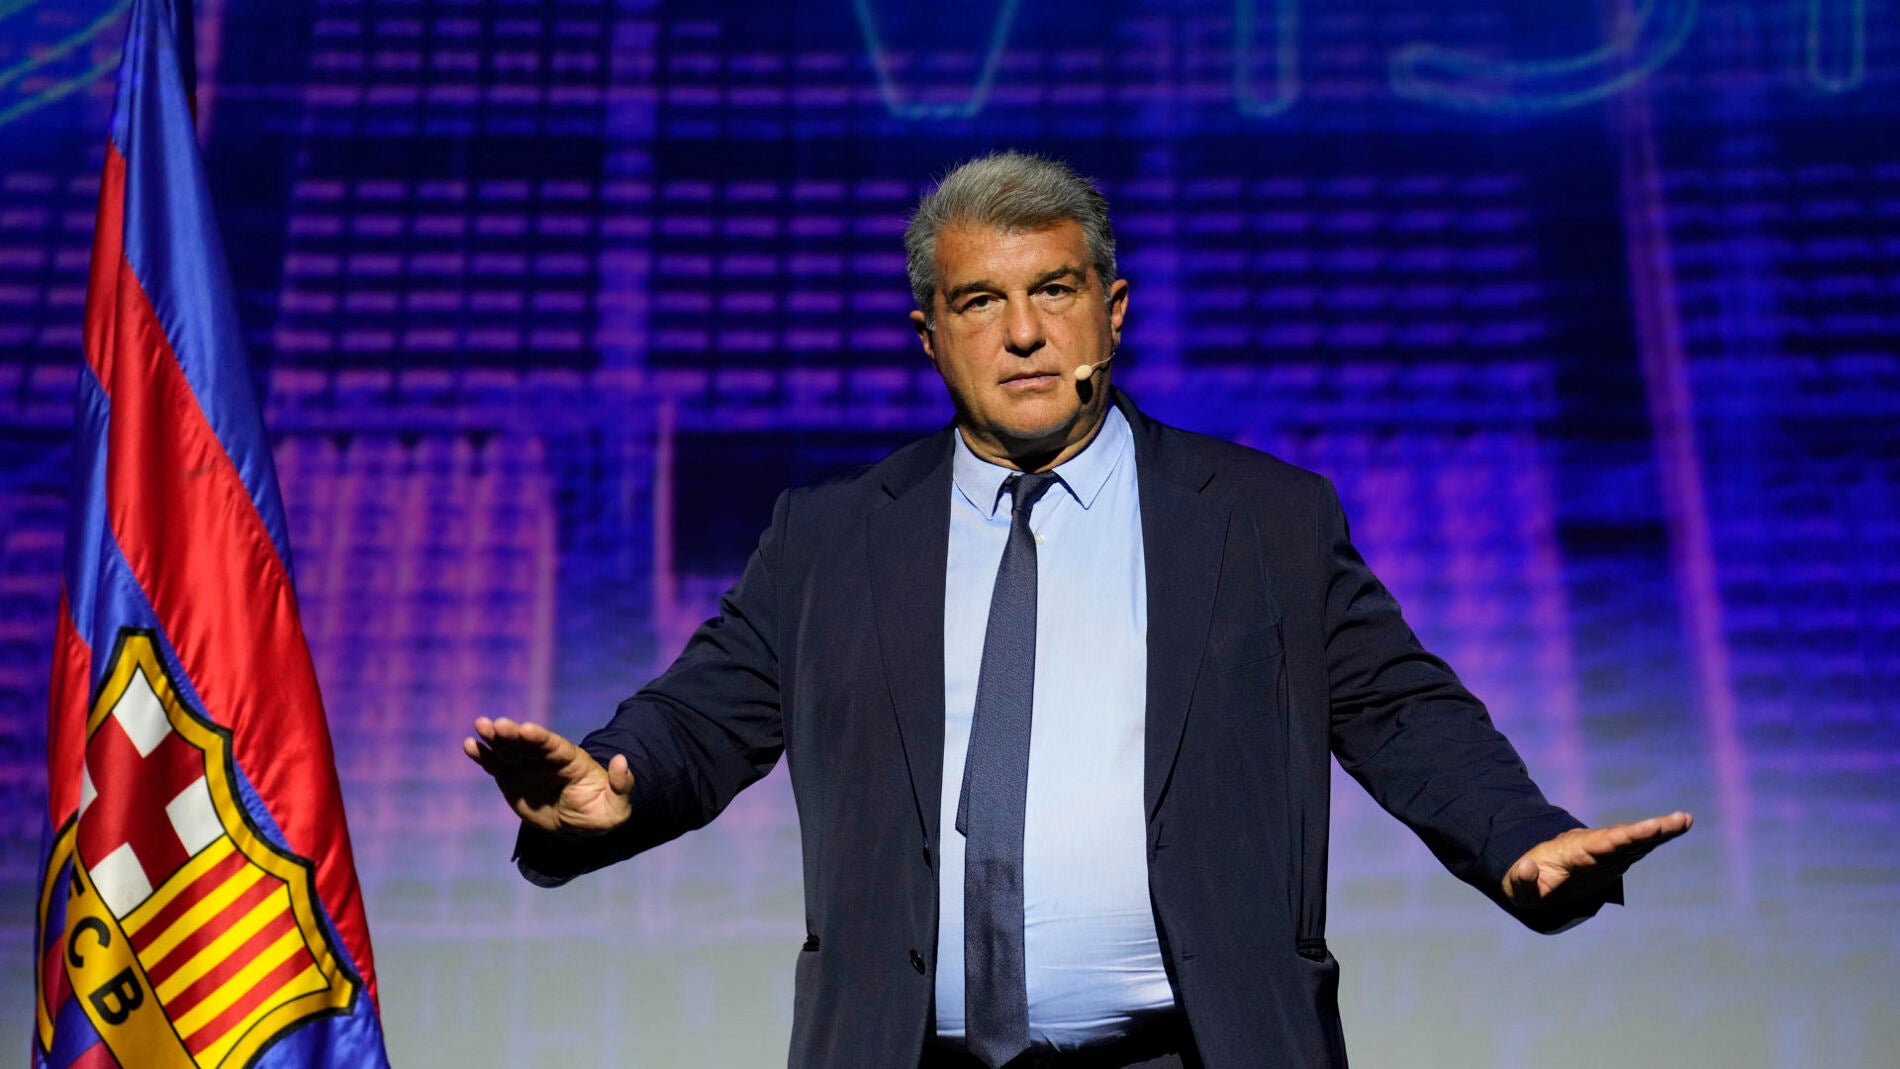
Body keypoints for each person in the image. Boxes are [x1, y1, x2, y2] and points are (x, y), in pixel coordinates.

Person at [464, 151, 1692, 1069]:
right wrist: (613, 785)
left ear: (1113, 308)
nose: (1023, 335)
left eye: (1054, 290)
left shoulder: (1260, 520)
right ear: (929, 337)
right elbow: (704, 711)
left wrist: (1519, 835)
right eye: (978, 303)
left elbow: (1399, 708)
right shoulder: (832, 536)